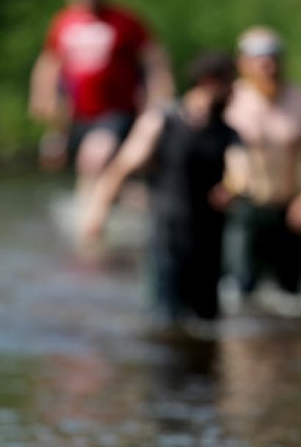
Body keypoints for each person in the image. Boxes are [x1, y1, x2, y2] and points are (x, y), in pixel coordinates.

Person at [78, 51, 249, 326]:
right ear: (210, 82)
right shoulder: (162, 122)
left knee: (207, 322)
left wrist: (232, 188)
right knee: (164, 321)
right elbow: (121, 167)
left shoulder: (228, 132)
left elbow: (240, 170)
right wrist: (97, 215)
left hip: (210, 241)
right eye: (230, 85)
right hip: (167, 236)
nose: (234, 94)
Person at [28, 0, 174, 223]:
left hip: (116, 110)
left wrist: (160, 94)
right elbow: (50, 62)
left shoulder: (125, 21)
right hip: (77, 112)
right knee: (90, 166)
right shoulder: (64, 22)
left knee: (95, 156)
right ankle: (96, 210)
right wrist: (42, 96)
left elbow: (154, 59)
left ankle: (92, 217)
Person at [224, 26, 301, 298]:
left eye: (273, 57)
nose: (267, 65)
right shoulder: (228, 101)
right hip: (243, 206)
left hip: (289, 210)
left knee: (291, 295)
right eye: (259, 58)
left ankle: (287, 340)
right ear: (242, 62)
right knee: (240, 290)